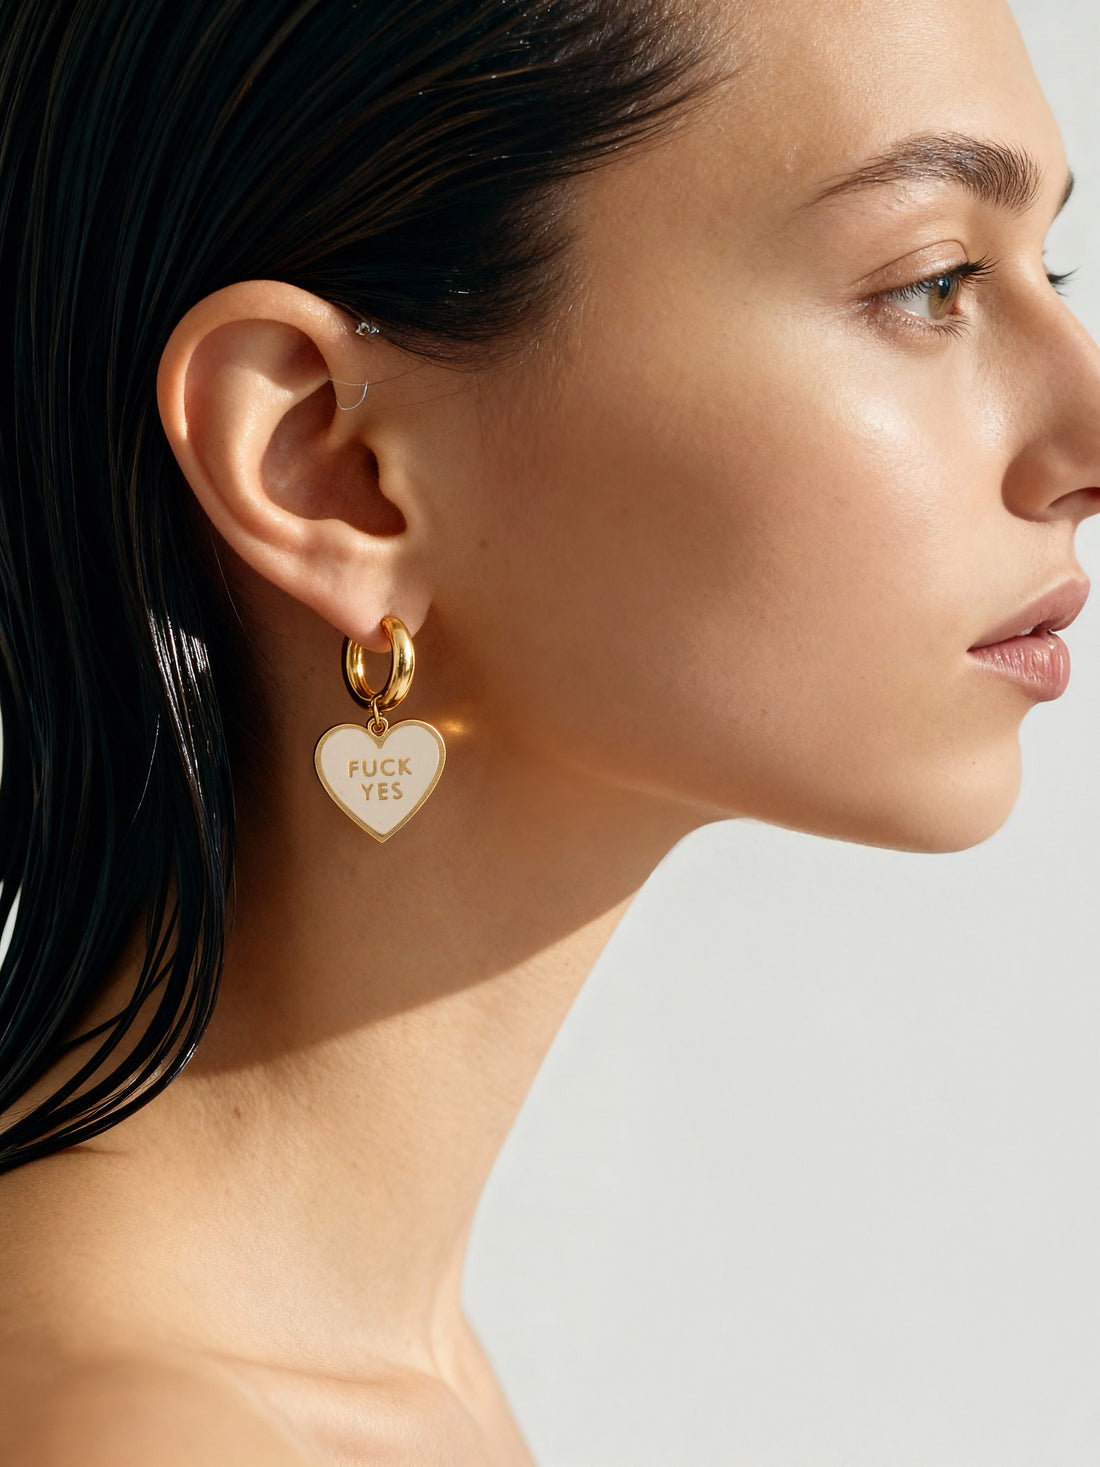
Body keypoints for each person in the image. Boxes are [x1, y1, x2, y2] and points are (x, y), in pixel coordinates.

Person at [1, 0, 1098, 1460]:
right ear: (334, 462)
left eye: (1048, 269)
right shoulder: (143, 1433)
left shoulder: (371, 1378)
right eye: (932, 282)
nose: (1087, 436)